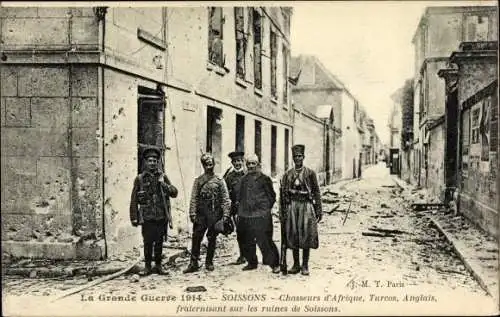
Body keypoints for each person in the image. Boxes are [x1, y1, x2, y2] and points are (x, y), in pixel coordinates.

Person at [130, 147, 178, 276]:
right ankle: (147, 267)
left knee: (159, 241)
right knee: (147, 242)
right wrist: (134, 217)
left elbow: (174, 193)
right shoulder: (140, 179)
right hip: (147, 216)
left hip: (161, 215)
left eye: (155, 161)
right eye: (150, 161)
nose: (152, 163)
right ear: (145, 162)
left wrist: (164, 185)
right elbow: (134, 199)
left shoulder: (163, 177)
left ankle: (158, 266)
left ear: (158, 162)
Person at [183, 153, 231, 273]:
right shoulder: (199, 181)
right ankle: (193, 263)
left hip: (214, 214)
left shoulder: (220, 181)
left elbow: (226, 198)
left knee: (212, 238)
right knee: (196, 237)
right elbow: (194, 197)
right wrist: (192, 213)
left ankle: (209, 262)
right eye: (206, 164)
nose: (209, 166)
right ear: (203, 165)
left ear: (214, 164)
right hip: (201, 214)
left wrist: (225, 215)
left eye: (211, 163)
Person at [280, 144, 322, 276]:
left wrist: (319, 210)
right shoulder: (288, 174)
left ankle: (305, 265)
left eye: (299, 156)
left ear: (303, 157)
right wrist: (282, 211)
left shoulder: (310, 173)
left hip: (306, 206)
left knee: (306, 234)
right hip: (292, 206)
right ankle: (296, 264)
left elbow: (316, 192)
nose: (297, 159)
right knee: (293, 234)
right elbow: (283, 194)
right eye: (295, 157)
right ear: (293, 158)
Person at [236, 154, 280, 274]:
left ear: (258, 164)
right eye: (248, 164)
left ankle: (275, 263)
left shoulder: (264, 179)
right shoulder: (243, 180)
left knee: (265, 240)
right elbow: (239, 197)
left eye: (253, 164)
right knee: (246, 239)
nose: (250, 166)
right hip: (246, 215)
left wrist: (264, 210)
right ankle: (252, 262)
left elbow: (272, 197)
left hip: (261, 215)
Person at [223, 151, 247, 265]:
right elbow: (225, 193)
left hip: (249, 208)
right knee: (240, 232)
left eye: (239, 161)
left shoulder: (247, 175)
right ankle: (242, 255)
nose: (238, 163)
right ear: (232, 163)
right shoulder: (229, 177)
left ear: (243, 161)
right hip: (237, 209)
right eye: (235, 161)